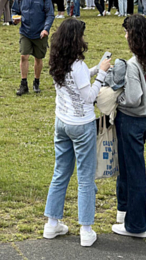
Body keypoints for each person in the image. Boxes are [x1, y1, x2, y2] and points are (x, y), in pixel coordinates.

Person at [42, 17, 110, 247]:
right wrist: (100, 75)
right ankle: (86, 229)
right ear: (75, 39)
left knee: (60, 172)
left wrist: (95, 69)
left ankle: (52, 223)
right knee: (85, 177)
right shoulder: (77, 65)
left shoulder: (57, 61)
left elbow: (74, 83)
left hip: (61, 122)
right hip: (82, 125)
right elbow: (88, 97)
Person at [112, 14, 146, 239]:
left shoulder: (133, 65)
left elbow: (133, 98)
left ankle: (136, 225)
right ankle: (124, 212)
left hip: (131, 120)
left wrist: (116, 101)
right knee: (125, 167)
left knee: (133, 172)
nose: (124, 36)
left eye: (126, 32)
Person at [12, 0, 55, 96]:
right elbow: (15, 11)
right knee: (23, 56)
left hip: (40, 32)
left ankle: (36, 81)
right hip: (25, 32)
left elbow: (50, 14)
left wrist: (46, 29)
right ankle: (23, 83)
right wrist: (14, 19)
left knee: (38, 58)